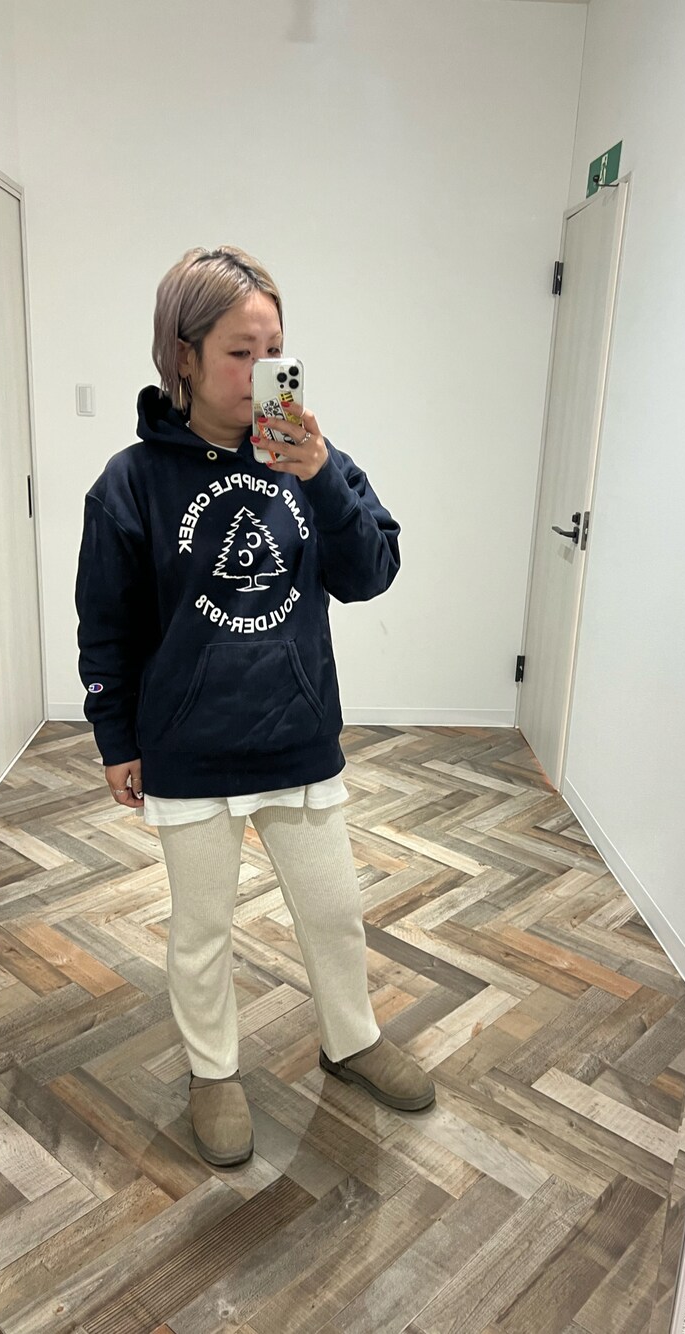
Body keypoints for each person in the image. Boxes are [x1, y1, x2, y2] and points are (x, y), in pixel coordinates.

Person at [75, 245, 435, 1168]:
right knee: (202, 932)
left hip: (296, 737)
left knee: (334, 912)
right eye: (240, 352)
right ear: (183, 355)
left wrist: (320, 475)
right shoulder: (130, 483)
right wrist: (116, 738)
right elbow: (106, 625)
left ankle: (352, 1041)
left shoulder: (312, 460)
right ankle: (213, 1071)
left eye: (275, 351)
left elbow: (370, 573)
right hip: (188, 749)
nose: (262, 371)